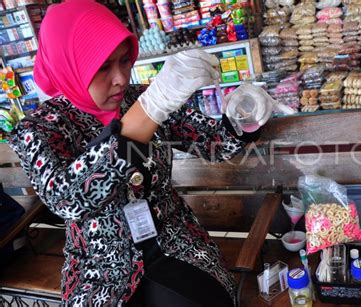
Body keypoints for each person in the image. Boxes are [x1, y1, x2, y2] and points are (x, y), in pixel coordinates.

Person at [9, 0, 292, 306]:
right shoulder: (40, 129)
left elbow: (211, 143)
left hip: (175, 244)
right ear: (68, 64)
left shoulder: (140, 97)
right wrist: (147, 113)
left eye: (124, 61)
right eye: (102, 66)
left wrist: (243, 117)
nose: (120, 78)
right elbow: (68, 201)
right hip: (101, 267)